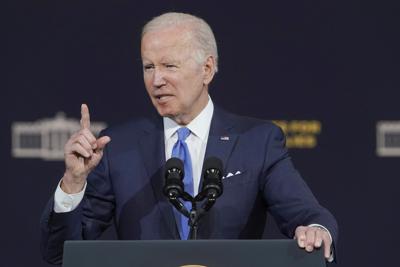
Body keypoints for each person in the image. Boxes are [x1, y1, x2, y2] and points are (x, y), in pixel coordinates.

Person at [40, 12, 338, 265]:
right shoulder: (118, 147)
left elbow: (310, 216)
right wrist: (73, 184)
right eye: (148, 67)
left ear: (207, 69)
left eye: (169, 66)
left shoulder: (256, 141)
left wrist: (315, 230)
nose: (156, 80)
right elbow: (62, 256)